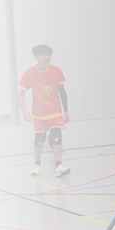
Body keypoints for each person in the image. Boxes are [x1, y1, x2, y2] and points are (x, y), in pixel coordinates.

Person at [18, 44, 71, 177]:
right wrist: (24, 110)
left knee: (57, 137)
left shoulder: (56, 71)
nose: (47, 57)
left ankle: (58, 165)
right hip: (39, 112)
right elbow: (21, 93)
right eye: (44, 55)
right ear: (36, 57)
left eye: (49, 55)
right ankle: (37, 165)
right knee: (40, 138)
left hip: (54, 110)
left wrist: (66, 110)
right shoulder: (30, 73)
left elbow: (62, 91)